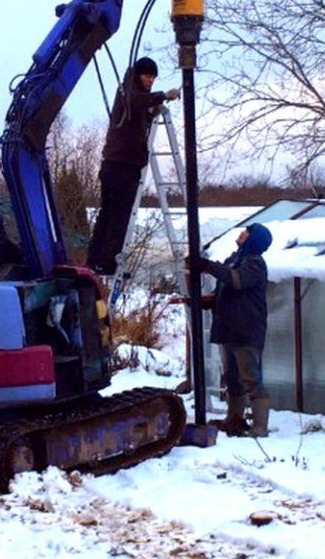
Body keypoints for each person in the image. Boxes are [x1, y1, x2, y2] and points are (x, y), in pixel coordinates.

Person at [86, 56, 180, 274]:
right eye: (148, 76)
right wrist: (163, 96)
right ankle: (107, 261)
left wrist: (150, 112)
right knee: (118, 215)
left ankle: (96, 260)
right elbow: (134, 102)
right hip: (122, 165)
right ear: (139, 74)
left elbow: (135, 116)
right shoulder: (128, 92)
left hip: (115, 164)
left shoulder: (131, 95)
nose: (151, 81)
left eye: (153, 78)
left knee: (108, 214)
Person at [197, 223, 273, 437]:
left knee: (251, 379)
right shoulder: (236, 259)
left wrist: (208, 266)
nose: (242, 233)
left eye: (247, 232)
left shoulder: (254, 263)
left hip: (246, 331)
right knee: (232, 380)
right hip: (230, 330)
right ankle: (234, 420)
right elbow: (226, 288)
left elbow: (235, 280)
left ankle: (260, 427)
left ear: (253, 240)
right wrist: (208, 301)